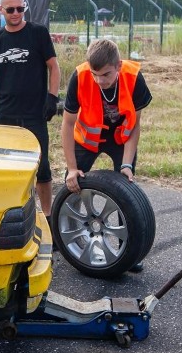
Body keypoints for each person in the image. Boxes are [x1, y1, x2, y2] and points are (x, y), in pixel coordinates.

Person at [59, 38, 152, 271]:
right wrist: (71, 167)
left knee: (126, 191)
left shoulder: (133, 77)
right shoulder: (79, 77)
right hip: (87, 139)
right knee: (72, 185)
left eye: (106, 75)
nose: (100, 81)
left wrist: (127, 164)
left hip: (121, 139)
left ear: (118, 65)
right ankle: (73, 243)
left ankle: (127, 252)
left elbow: (135, 125)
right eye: (95, 74)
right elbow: (67, 124)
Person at [0, 0, 61, 217]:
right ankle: (16, 216)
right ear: (1, 10)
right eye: (10, 10)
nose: (16, 13)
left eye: (20, 9)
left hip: (34, 114)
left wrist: (52, 97)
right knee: (11, 169)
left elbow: (54, 67)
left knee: (43, 169)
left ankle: (47, 218)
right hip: (6, 115)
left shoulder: (38, 33)